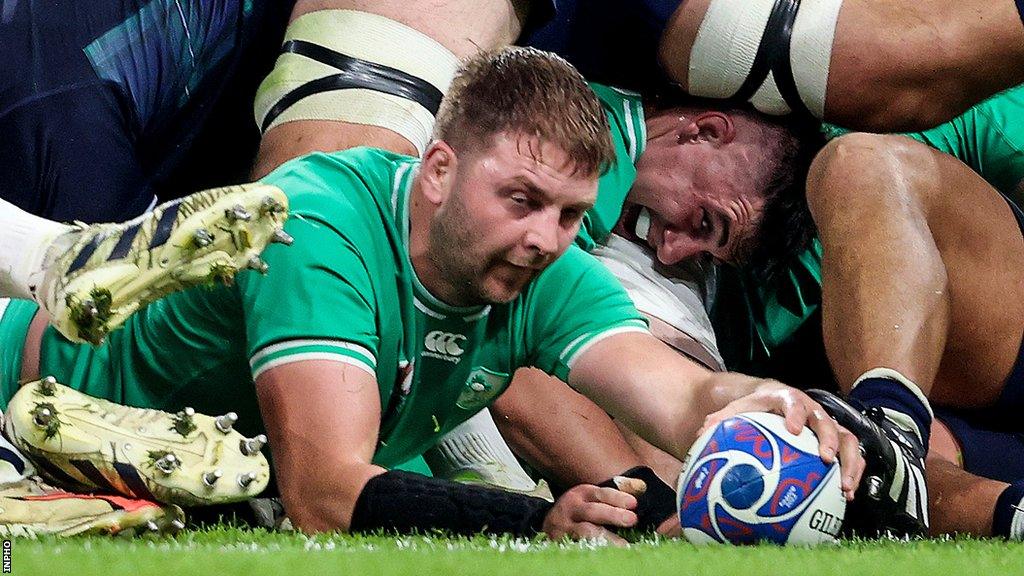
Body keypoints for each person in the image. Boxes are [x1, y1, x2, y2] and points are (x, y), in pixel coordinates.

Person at [0, 47, 861, 541]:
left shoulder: (547, 272)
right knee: (284, 490)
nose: (543, 237)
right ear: (439, 168)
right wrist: (534, 522)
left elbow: (678, 396)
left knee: (255, 491)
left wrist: (752, 399)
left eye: (569, 215)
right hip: (29, 379)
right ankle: (54, 275)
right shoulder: (320, 221)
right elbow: (328, 495)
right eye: (520, 200)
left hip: (223, 461)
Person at [623, 91, 1024, 539]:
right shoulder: (597, 251)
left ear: (711, 131)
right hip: (945, 450)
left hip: (999, 340)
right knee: (857, 476)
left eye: (704, 224)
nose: (670, 249)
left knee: (857, 164)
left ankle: (891, 429)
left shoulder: (917, 106)